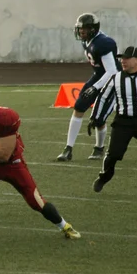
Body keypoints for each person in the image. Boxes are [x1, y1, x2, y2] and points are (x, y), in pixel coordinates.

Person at [0, 84, 81, 240]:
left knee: (35, 201)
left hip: (11, 165)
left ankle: (65, 226)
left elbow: (3, 156)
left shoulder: (4, 119)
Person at [89, 46, 137, 196]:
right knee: (113, 154)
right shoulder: (116, 78)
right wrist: (95, 117)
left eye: (126, 58)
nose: (122, 61)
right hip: (122, 122)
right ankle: (104, 177)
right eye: (122, 58)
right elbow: (103, 97)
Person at [57, 13, 120, 162]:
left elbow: (112, 71)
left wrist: (96, 87)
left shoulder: (103, 43)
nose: (81, 32)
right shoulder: (87, 41)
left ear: (93, 29)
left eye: (84, 29)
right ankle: (68, 149)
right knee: (79, 106)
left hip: (112, 80)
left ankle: (99, 147)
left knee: (99, 118)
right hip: (99, 75)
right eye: (80, 29)